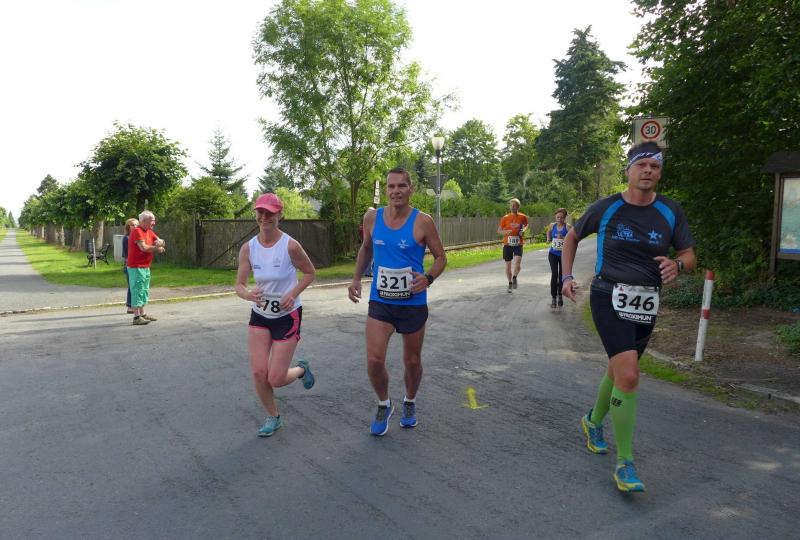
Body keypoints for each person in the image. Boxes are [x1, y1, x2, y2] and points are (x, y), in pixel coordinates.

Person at [561, 141, 696, 492]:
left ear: (660, 172)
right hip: (608, 295)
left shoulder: (670, 210)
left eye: (654, 166)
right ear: (629, 170)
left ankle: (592, 421)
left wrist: (677, 265)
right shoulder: (607, 207)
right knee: (630, 375)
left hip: (646, 301)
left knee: (619, 369)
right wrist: (566, 277)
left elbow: (688, 253)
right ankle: (625, 463)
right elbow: (571, 237)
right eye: (642, 165)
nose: (648, 170)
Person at [347, 167, 446, 436]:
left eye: (401, 186)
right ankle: (384, 404)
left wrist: (428, 278)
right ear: (386, 190)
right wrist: (356, 279)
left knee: (411, 362)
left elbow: (441, 257)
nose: (396, 191)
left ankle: (409, 401)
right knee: (374, 360)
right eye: (391, 186)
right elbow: (366, 248)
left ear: (410, 189)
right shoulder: (372, 217)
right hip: (381, 300)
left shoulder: (423, 221)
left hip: (412, 302)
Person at [235, 193, 316, 438]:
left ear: (280, 215)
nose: (264, 217)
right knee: (259, 373)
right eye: (260, 212)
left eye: (270, 213)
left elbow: (310, 273)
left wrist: (292, 293)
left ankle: (301, 370)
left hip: (287, 316)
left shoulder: (290, 245)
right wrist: (248, 294)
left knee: (276, 378)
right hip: (260, 315)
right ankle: (273, 416)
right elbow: (239, 285)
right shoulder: (248, 248)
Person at [127, 211, 165, 325]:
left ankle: (143, 314)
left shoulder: (149, 231)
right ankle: (136, 317)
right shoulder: (137, 231)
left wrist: (160, 242)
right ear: (143, 221)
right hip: (136, 266)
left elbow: (161, 241)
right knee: (137, 290)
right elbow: (143, 247)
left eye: (154, 220)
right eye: (152, 221)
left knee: (144, 290)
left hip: (145, 266)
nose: (154, 223)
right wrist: (157, 248)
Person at [498, 198, 529, 293]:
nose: (512, 207)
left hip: (518, 244)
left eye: (514, 206)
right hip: (507, 244)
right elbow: (499, 230)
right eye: (511, 205)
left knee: (517, 264)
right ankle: (510, 283)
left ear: (518, 207)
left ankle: (515, 277)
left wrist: (523, 230)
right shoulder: (505, 218)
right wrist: (505, 232)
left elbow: (526, 225)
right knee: (508, 266)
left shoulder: (523, 217)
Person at [546, 208, 571, 308]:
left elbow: (573, 238)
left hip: (564, 255)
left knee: (561, 276)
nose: (559, 219)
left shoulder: (568, 227)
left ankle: (560, 295)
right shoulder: (552, 225)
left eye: (562, 217)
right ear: (555, 217)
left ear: (565, 218)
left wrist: (564, 238)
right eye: (558, 217)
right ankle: (553, 297)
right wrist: (548, 239)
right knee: (554, 274)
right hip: (553, 254)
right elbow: (548, 232)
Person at [122, 218, 138, 314]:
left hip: (136, 264)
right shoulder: (127, 238)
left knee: (135, 285)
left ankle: (134, 305)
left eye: (136, 224)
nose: (135, 226)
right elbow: (126, 254)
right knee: (131, 285)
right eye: (132, 225)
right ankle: (129, 306)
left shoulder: (137, 236)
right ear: (128, 227)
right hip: (129, 264)